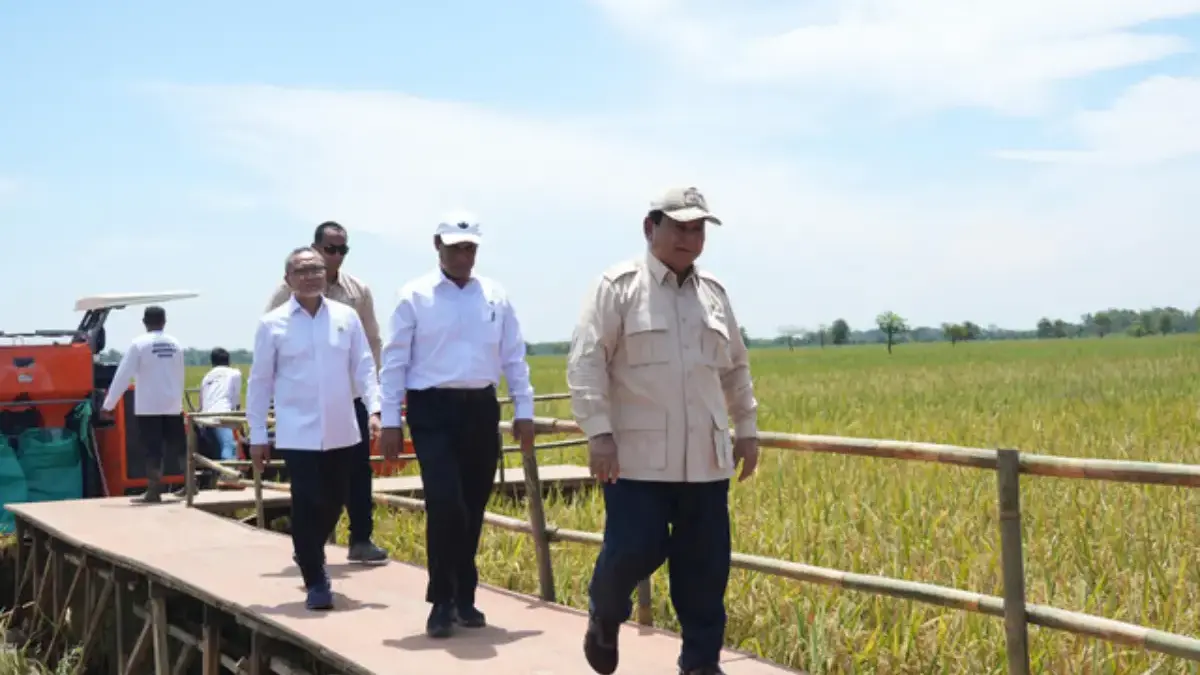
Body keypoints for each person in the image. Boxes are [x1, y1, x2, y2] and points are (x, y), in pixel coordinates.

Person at [566, 187, 761, 675]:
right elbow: (587, 362)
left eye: (698, 229)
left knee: (705, 568)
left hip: (706, 460)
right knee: (635, 547)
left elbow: (735, 367)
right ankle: (605, 613)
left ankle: (700, 663)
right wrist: (598, 433)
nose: (690, 238)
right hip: (636, 459)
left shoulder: (713, 293)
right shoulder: (618, 287)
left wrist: (748, 427)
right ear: (650, 227)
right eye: (680, 227)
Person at [377, 211, 537, 639]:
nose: (464, 256)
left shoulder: (495, 296)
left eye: (469, 248)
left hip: (481, 409)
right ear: (437, 246)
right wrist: (390, 419)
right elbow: (394, 360)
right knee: (446, 503)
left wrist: (524, 408)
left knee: (472, 505)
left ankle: (465, 594)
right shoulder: (414, 295)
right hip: (432, 409)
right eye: (455, 247)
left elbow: (513, 357)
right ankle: (441, 600)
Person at [246, 246, 383, 611]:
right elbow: (260, 381)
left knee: (336, 499)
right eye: (302, 270)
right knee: (307, 500)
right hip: (298, 431)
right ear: (288, 279)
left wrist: (376, 409)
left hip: (342, 427)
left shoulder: (346, 317)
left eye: (317, 269)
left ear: (327, 274)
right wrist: (258, 434)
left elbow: (365, 367)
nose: (310, 276)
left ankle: (306, 548)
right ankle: (316, 578)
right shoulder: (272, 324)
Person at [265, 221, 388, 565]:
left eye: (342, 250)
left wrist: (373, 397)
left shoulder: (356, 291)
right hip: (304, 402)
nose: (336, 256)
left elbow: (371, 343)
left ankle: (360, 538)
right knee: (308, 478)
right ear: (316, 248)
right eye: (329, 249)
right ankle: (310, 542)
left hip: (349, 397)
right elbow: (270, 347)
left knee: (357, 470)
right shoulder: (285, 291)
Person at [101, 305, 187, 503]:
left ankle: (154, 491)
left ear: (144, 322)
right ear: (164, 321)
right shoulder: (176, 344)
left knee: (152, 448)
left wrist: (108, 405)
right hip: (173, 404)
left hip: (149, 405)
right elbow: (179, 373)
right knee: (180, 446)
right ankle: (191, 486)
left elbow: (123, 375)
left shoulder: (139, 344)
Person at [197, 347, 242, 460]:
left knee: (216, 451)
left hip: (205, 418)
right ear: (228, 361)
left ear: (212, 362)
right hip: (222, 415)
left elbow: (201, 403)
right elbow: (236, 402)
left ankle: (218, 475)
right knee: (229, 447)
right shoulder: (234, 373)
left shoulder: (207, 377)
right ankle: (228, 474)